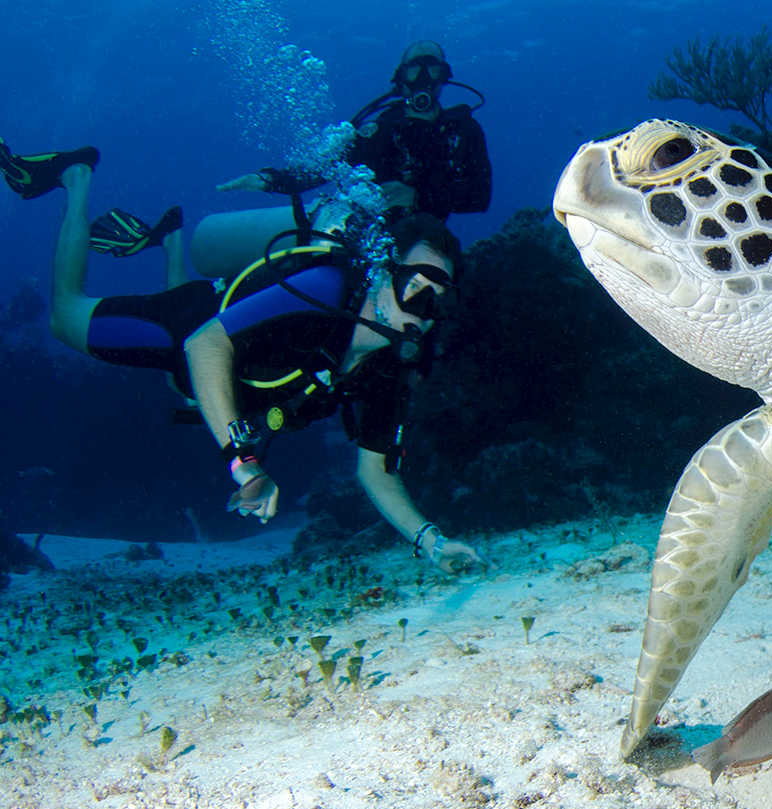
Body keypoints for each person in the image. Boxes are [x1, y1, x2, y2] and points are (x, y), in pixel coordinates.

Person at [0, 139, 485, 574]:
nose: (424, 313)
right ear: (381, 273)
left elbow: (376, 471)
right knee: (64, 318)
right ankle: (77, 177)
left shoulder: (387, 368)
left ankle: (169, 239)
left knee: (185, 391)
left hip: (227, 382)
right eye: (416, 288)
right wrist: (244, 463)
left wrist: (432, 542)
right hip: (190, 324)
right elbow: (204, 344)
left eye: (438, 303)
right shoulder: (323, 287)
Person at [222, 40, 491, 221]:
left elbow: (479, 197)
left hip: (424, 239)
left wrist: (418, 197)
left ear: (444, 75)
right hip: (369, 234)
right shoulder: (381, 130)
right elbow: (324, 168)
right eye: (413, 68)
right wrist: (270, 180)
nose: (423, 77)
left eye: (432, 67)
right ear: (401, 79)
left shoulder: (462, 130)